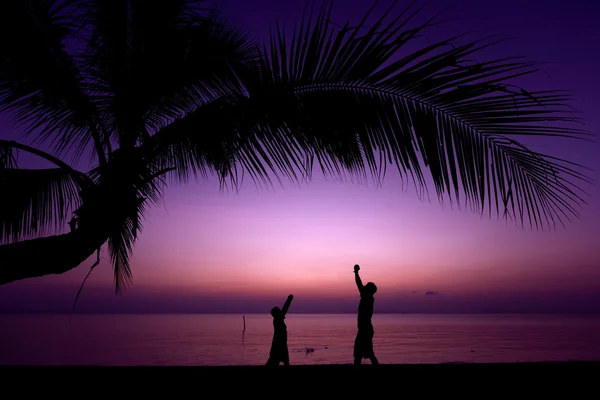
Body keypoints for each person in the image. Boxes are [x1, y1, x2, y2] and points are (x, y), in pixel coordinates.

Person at [353, 264, 379, 365]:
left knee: (360, 353)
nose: (362, 288)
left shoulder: (367, 298)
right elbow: (359, 284)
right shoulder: (368, 297)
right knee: (364, 353)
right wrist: (356, 272)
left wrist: (356, 272)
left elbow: (358, 284)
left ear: (369, 291)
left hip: (365, 329)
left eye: (365, 287)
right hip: (365, 329)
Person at [266, 294, 294, 366]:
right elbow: (285, 308)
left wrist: (289, 299)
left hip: (280, 342)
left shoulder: (278, 319)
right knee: (275, 359)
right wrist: (289, 299)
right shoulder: (278, 319)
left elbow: (285, 308)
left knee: (276, 359)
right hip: (279, 342)